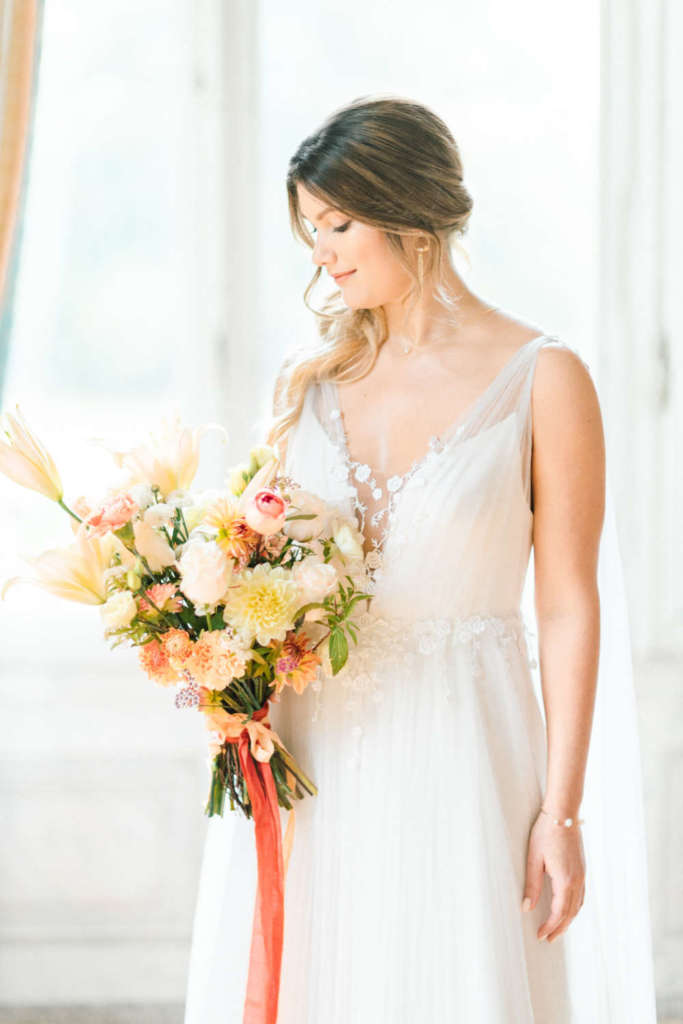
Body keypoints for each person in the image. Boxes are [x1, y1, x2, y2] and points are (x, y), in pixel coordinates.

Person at [183, 95, 657, 1023]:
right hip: (316, 754)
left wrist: (560, 813)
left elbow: (566, 604)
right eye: (310, 228)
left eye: (338, 223)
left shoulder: (543, 377)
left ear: (408, 214)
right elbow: (259, 563)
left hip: (465, 748)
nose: (319, 251)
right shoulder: (308, 382)